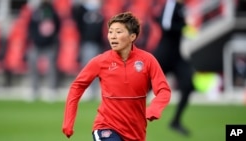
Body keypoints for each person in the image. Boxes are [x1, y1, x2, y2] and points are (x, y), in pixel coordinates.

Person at [62, 12, 171, 141]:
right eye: (110, 32)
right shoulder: (100, 61)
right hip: (105, 127)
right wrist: (68, 121)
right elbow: (77, 87)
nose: (112, 36)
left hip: (136, 132)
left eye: (118, 32)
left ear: (132, 36)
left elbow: (164, 90)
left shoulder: (148, 60)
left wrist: (154, 108)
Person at [152, 0, 195, 136]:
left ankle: (175, 121)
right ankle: (128, 117)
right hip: (163, 55)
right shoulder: (171, 4)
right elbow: (165, 24)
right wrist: (184, 26)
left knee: (188, 85)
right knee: (143, 87)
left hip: (176, 56)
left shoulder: (181, 7)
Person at [27, 0, 61, 101]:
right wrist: (35, 38)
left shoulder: (53, 12)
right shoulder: (36, 12)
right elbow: (31, 27)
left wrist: (52, 38)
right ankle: (34, 89)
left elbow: (58, 26)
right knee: (33, 66)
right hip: (37, 44)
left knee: (51, 68)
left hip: (49, 45)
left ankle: (52, 89)